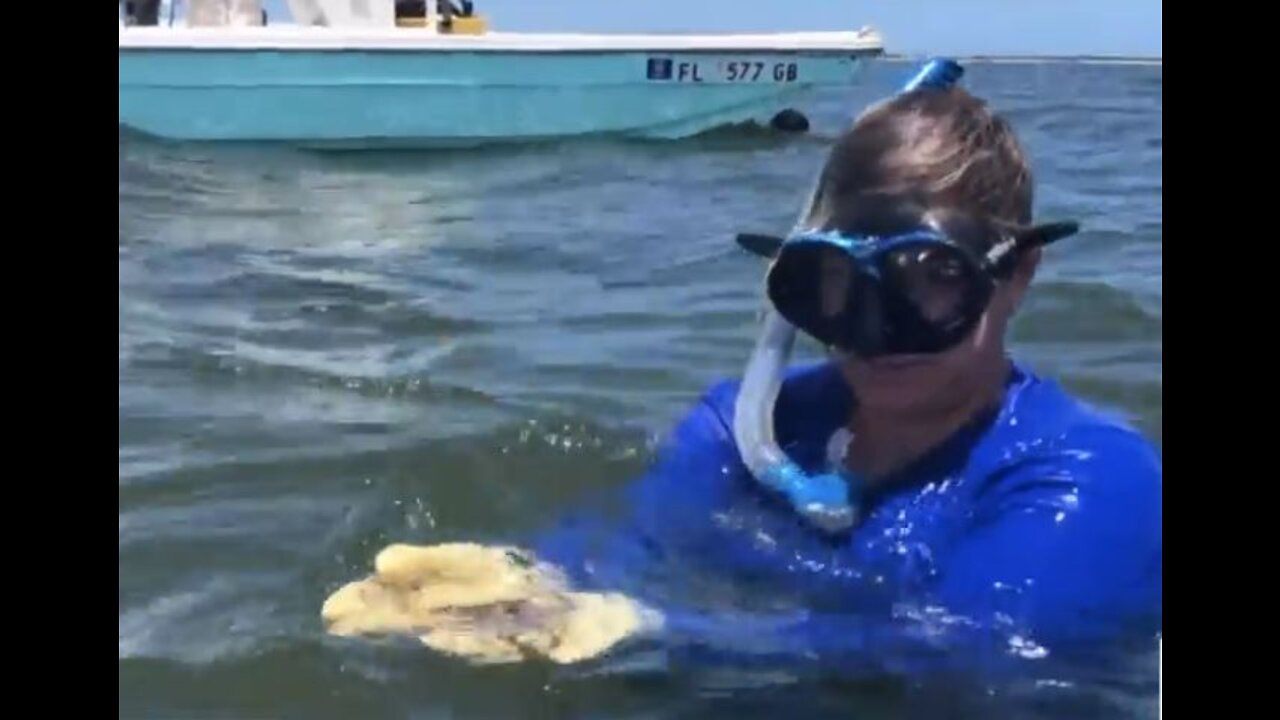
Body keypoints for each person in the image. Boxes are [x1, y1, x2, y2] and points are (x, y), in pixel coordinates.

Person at [528, 58, 1162, 676]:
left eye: (931, 277)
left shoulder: (1092, 477)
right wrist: (522, 585)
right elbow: (620, 545)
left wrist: (652, 624)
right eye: (837, 281)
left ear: (1017, 273)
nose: (877, 328)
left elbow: (968, 656)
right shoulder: (748, 429)